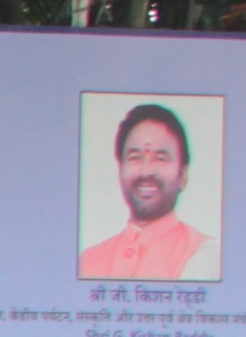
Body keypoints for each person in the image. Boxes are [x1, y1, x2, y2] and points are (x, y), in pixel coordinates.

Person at [76, 103, 216, 280]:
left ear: (183, 176)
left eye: (161, 158)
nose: (146, 171)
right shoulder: (87, 260)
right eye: (135, 158)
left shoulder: (204, 254)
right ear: (120, 170)